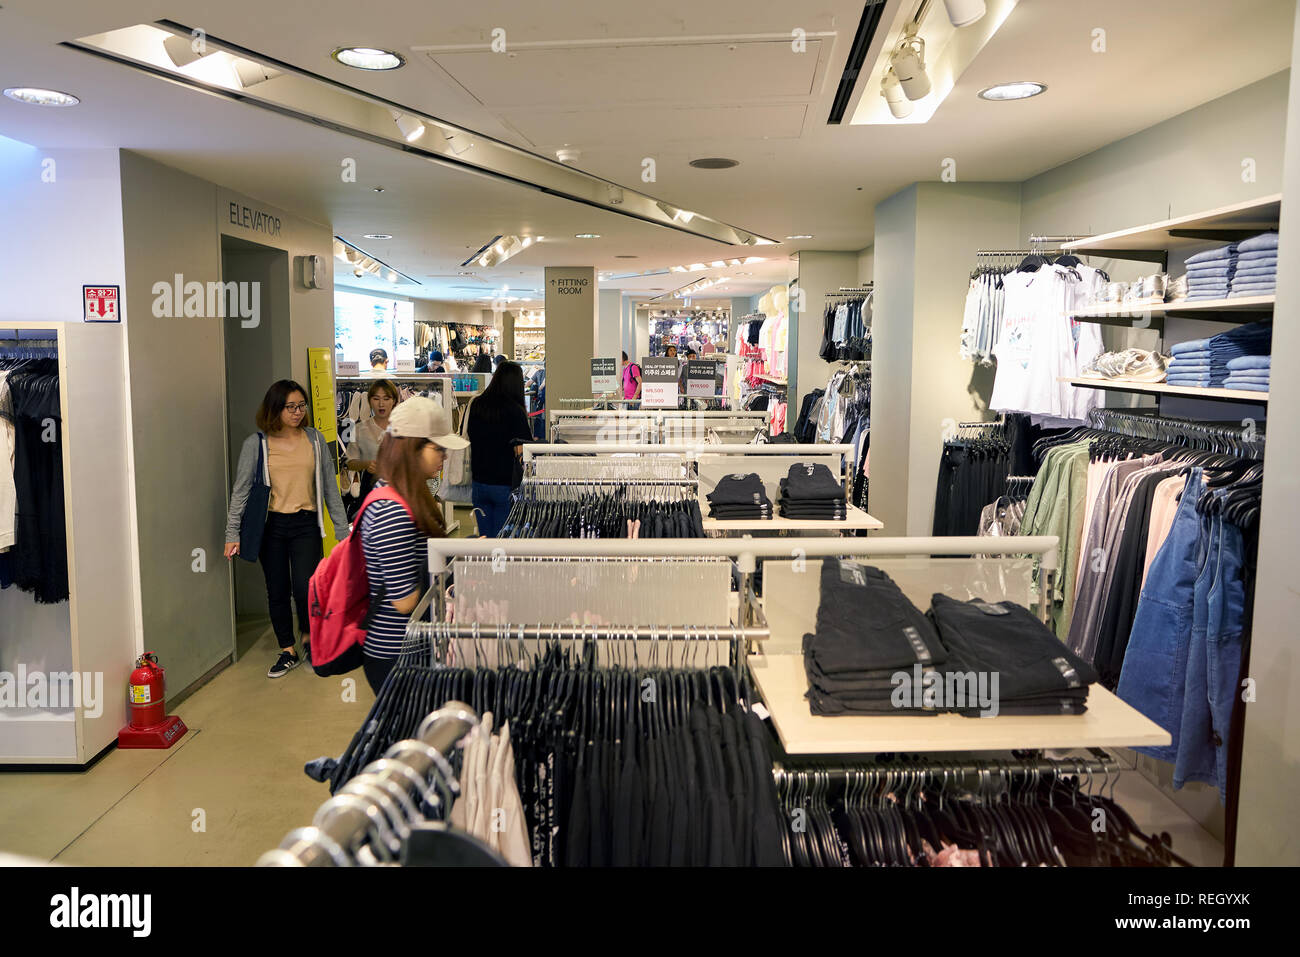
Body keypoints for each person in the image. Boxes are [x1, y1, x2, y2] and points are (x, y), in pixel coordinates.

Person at [224, 380, 349, 678]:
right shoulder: (257, 444)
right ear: (275, 409)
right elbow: (241, 491)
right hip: (272, 526)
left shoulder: (315, 439)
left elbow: (330, 488)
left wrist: (343, 532)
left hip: (306, 523)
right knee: (277, 589)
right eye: (290, 407)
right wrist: (232, 534)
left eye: (301, 406)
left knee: (307, 588)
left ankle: (310, 640)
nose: (297, 412)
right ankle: (287, 649)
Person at [358, 397, 467, 694]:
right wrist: (458, 563)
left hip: (412, 647)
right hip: (397, 653)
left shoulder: (407, 494)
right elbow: (405, 601)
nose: (444, 456)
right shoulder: (392, 510)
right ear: (411, 448)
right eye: (438, 448)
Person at [467, 360, 532, 537]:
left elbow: (470, 435)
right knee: (502, 543)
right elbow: (523, 450)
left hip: (479, 482)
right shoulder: (515, 411)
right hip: (505, 484)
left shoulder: (477, 404)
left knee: (485, 541)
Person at [345, 379, 400, 507]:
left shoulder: (404, 429)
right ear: (369, 401)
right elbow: (350, 462)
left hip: (399, 486)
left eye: (386, 398)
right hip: (370, 488)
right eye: (376, 399)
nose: (381, 404)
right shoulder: (358, 429)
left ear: (394, 401)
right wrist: (366, 464)